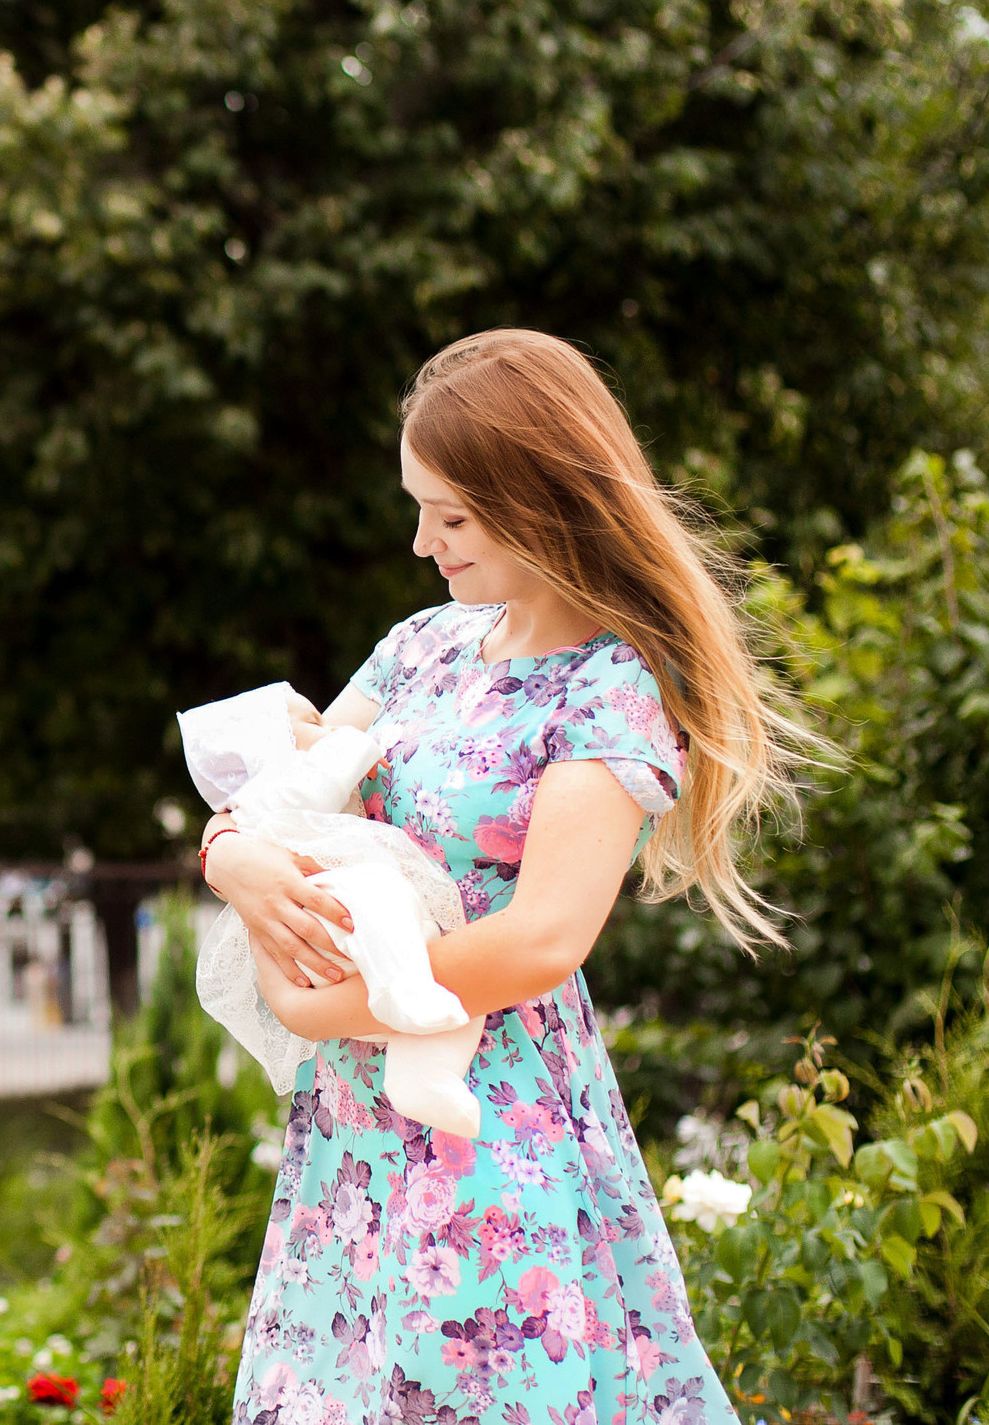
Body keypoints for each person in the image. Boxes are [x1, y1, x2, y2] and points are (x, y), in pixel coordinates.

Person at [199, 329, 808, 1425]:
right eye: (417, 505)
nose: (423, 541)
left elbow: (541, 942)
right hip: (354, 1127)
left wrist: (312, 1005)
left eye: (454, 516)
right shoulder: (419, 648)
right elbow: (285, 796)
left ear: (543, 499)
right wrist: (231, 859)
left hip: (493, 1119)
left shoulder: (610, 688)